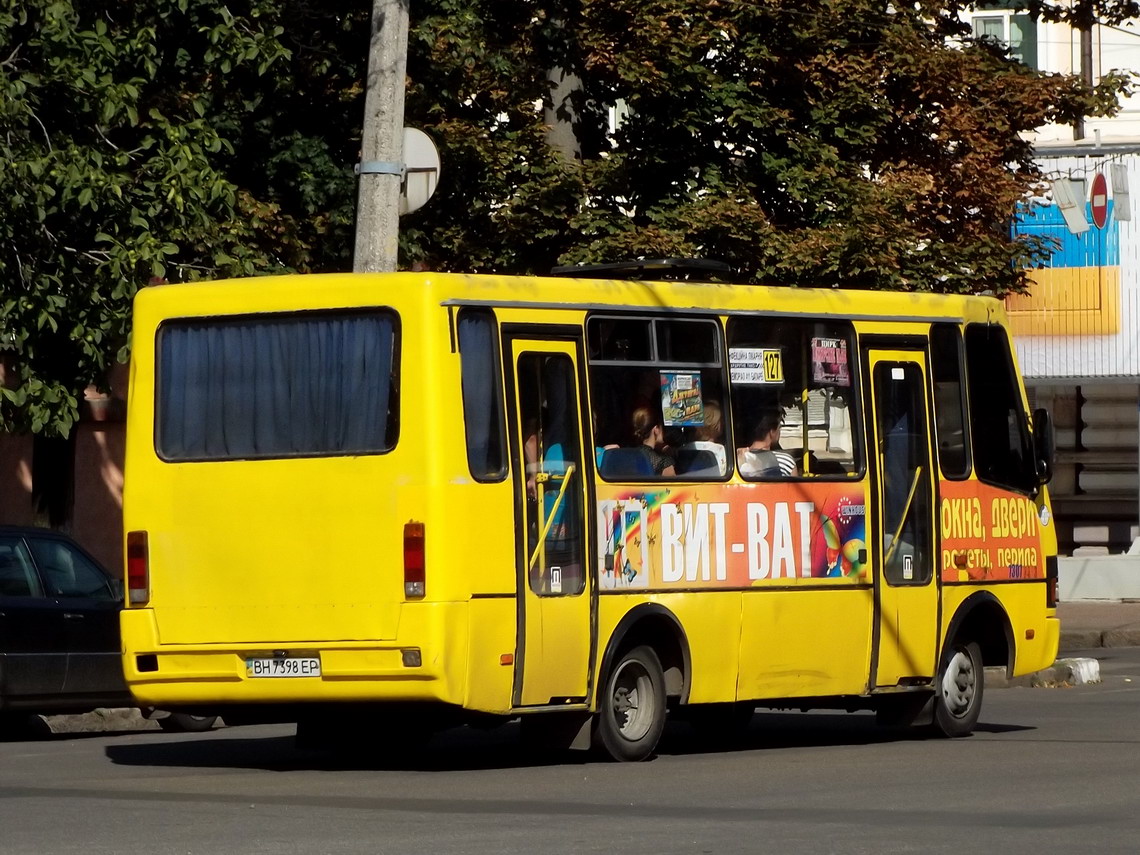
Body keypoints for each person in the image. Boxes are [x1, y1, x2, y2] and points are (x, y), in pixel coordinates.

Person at [737, 409, 798, 477]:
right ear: (772, 432)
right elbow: (792, 487)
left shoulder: (739, 458)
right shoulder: (786, 462)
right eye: (779, 428)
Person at [678, 399, 727, 475]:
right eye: (721, 420)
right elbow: (724, 473)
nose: (723, 423)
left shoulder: (682, 449)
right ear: (715, 425)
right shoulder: (718, 449)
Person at [630, 405, 676, 477]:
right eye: (662, 427)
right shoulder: (663, 462)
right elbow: (672, 487)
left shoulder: (627, 456)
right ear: (656, 429)